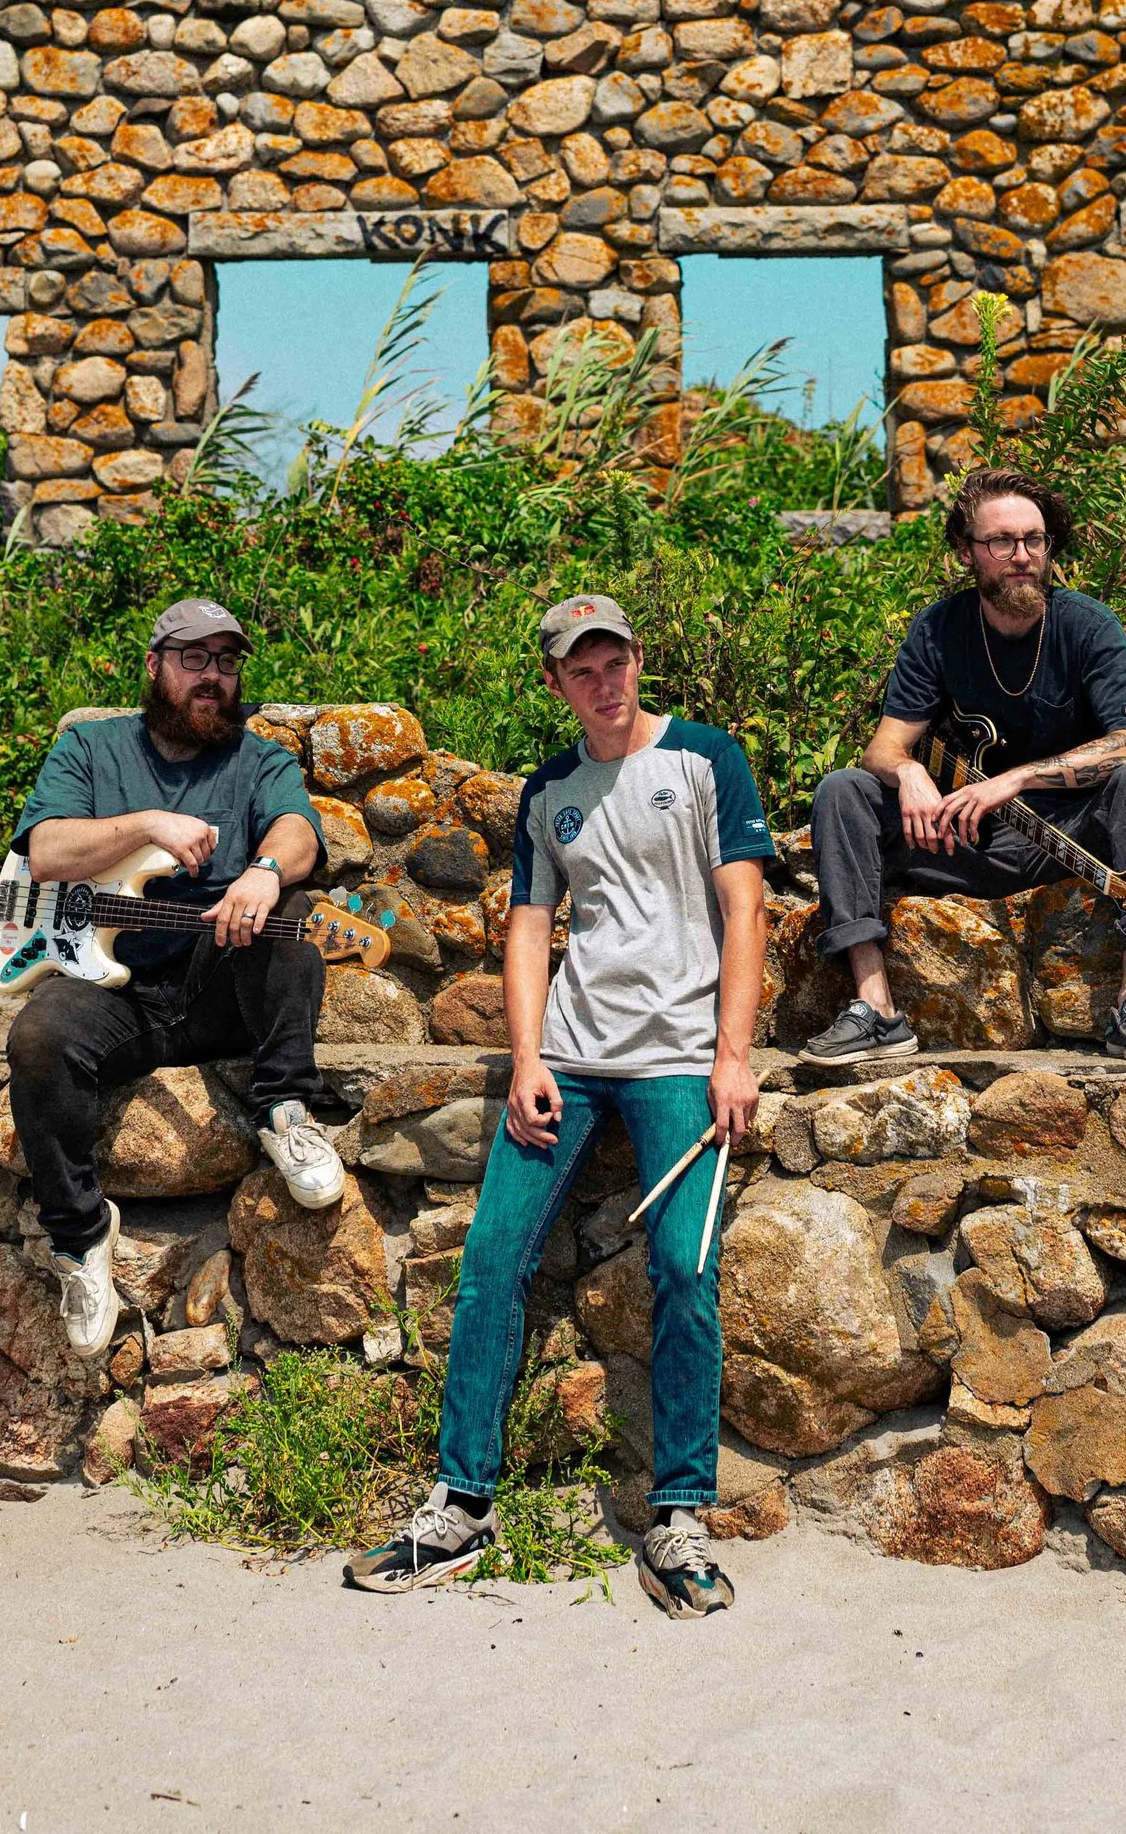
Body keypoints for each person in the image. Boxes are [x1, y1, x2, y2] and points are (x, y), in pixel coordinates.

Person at [347, 592, 769, 1618]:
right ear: (555, 682)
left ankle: (677, 1516)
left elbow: (745, 905)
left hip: (680, 1060)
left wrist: (733, 1057)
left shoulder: (706, 758)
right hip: (570, 1059)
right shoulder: (551, 788)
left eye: (615, 660)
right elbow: (531, 928)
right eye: (582, 668)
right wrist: (528, 1058)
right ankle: (461, 1506)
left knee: (685, 1268)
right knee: (492, 1259)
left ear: (638, 659)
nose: (604, 681)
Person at [5, 597, 347, 1358]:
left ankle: (285, 1111)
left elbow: (298, 830)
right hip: (109, 990)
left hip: (214, 988)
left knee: (290, 921)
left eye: (226, 661)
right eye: (195, 659)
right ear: (155, 665)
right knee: (39, 1037)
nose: (213, 676)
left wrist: (264, 870)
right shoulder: (92, 749)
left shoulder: (257, 759)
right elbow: (47, 852)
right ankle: (80, 1237)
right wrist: (146, 824)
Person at [804, 465, 1126, 1064]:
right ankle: (875, 1008)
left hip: (1067, 837)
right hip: (961, 839)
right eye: (1002, 542)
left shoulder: (1088, 626)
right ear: (966, 551)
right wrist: (909, 772)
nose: (1022, 556)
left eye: (1035, 540)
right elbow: (883, 748)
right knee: (843, 789)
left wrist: (1016, 779)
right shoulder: (938, 630)